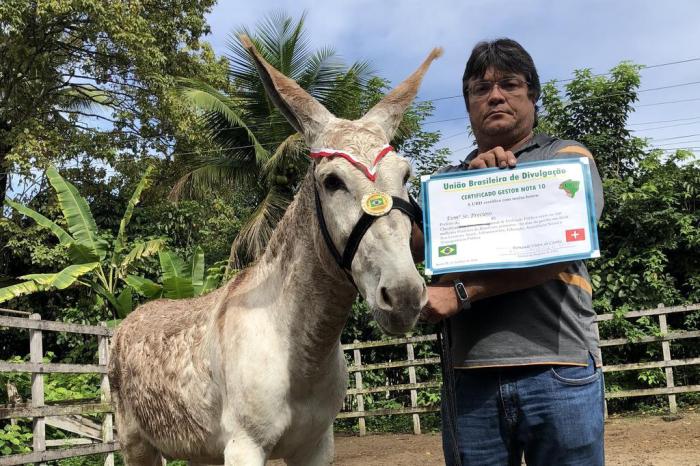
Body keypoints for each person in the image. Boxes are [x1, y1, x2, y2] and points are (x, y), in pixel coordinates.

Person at [415, 38, 606, 466]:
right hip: (468, 378)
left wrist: (461, 292)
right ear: (468, 105)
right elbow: (417, 249)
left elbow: (563, 244)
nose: (495, 96)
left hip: (559, 369)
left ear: (532, 95)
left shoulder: (566, 158)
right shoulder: (446, 183)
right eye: (480, 89)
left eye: (509, 84)